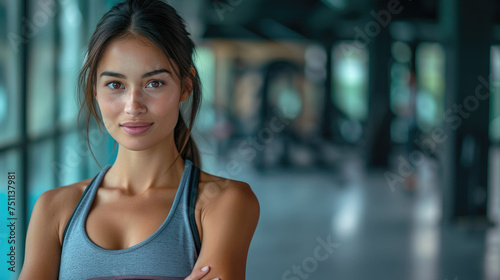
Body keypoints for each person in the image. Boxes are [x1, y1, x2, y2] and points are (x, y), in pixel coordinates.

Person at [18, 0, 260, 279]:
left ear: (185, 86)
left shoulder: (224, 202)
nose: (133, 106)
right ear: (94, 90)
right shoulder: (54, 208)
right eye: (115, 85)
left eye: (154, 83)